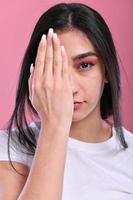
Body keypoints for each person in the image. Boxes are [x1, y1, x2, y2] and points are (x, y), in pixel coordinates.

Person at [0, 2, 133, 199]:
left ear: (106, 71)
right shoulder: (9, 148)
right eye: (54, 67)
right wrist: (54, 123)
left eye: (85, 65)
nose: (68, 87)